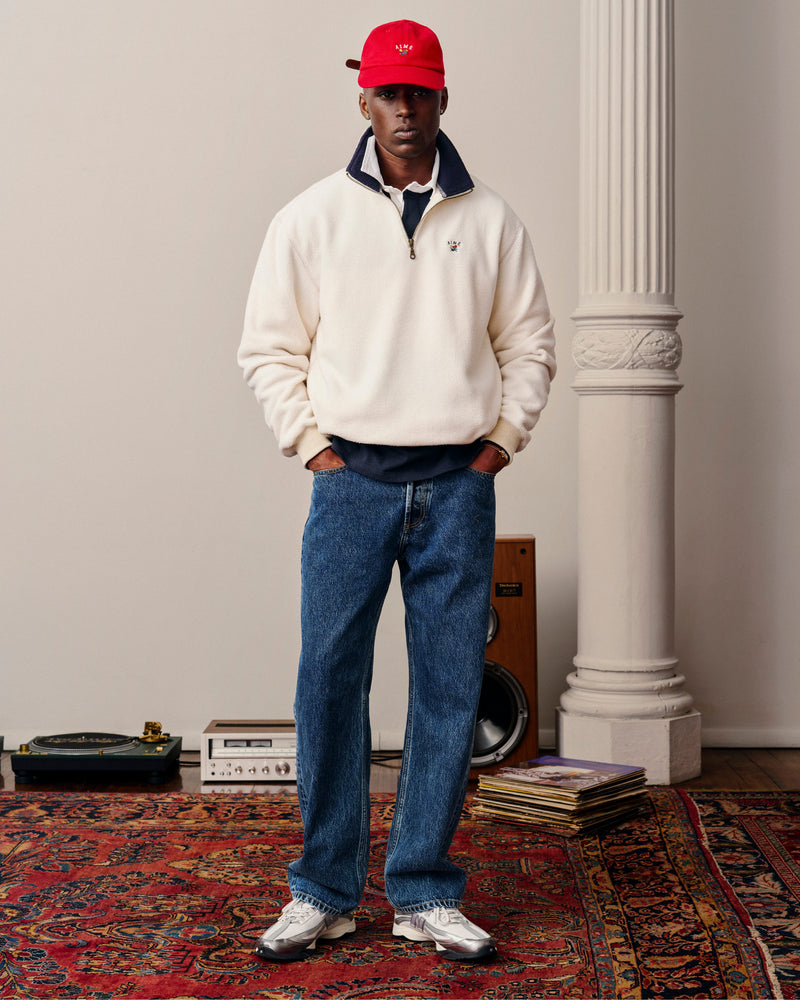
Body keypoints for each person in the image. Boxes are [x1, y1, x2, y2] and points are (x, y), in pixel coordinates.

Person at [238, 19, 556, 964]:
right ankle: (324, 891)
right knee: (329, 683)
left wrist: (497, 447)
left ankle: (422, 889)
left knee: (449, 689)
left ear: (444, 99)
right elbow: (269, 348)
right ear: (363, 100)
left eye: (420, 93)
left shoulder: (492, 220)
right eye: (388, 93)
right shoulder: (310, 218)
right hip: (351, 485)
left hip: (459, 484)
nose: (405, 109)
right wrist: (313, 449)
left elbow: (529, 346)